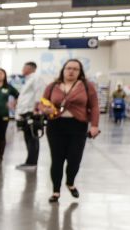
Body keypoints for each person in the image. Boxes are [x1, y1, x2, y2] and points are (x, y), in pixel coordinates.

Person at [37, 58, 100, 203]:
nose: (71, 71)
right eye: (68, 68)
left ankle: (70, 182)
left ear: (80, 72)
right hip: (55, 126)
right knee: (57, 160)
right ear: (63, 70)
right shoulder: (52, 86)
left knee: (74, 159)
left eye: (75, 69)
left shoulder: (86, 86)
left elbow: (95, 106)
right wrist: (45, 109)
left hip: (78, 126)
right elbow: (42, 103)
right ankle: (56, 191)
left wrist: (95, 125)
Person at [13, 61, 53, 171]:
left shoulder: (36, 78)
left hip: (31, 112)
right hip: (25, 112)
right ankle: (29, 161)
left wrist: (36, 109)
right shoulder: (29, 79)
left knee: (32, 137)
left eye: (24, 67)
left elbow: (39, 93)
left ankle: (32, 162)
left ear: (30, 68)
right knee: (28, 137)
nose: (22, 69)